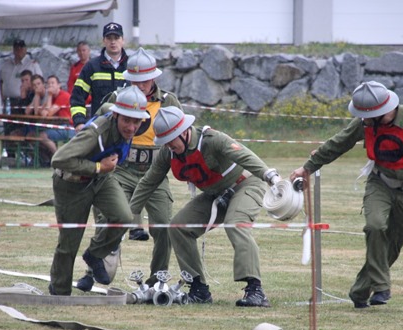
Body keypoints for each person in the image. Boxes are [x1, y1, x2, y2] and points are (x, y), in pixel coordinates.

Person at [290, 81, 403, 309]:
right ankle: (382, 287)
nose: (362, 120)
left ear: (380, 113)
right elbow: (338, 143)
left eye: (366, 116)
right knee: (375, 226)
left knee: (392, 243)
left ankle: (360, 292)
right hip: (380, 184)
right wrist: (307, 168)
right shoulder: (364, 123)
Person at [130, 106, 283, 308]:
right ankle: (199, 290)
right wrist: (128, 213)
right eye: (164, 141)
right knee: (178, 227)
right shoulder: (168, 152)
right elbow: (148, 182)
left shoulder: (212, 139)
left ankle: (255, 290)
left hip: (245, 184)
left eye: (171, 139)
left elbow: (245, 156)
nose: (168, 145)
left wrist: (270, 176)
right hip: (215, 194)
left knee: (235, 223)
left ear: (184, 131)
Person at [75, 48, 181, 291]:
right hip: (120, 169)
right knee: (109, 219)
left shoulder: (168, 101)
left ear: (153, 78)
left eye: (144, 80)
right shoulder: (116, 98)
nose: (140, 85)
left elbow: (180, 134)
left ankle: (157, 281)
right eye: (135, 80)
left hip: (155, 171)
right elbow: (97, 128)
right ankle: (91, 271)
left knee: (164, 226)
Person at [49, 85, 149, 296]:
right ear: (116, 115)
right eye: (127, 120)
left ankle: (94, 254)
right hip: (71, 183)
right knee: (69, 242)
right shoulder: (95, 132)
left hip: (102, 179)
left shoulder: (132, 126)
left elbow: (106, 107)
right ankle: (59, 291)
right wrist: (97, 167)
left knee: (124, 217)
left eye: (136, 121)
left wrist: (102, 171)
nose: (131, 127)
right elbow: (59, 159)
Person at [70, 22, 128, 132]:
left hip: (127, 130)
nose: (113, 42)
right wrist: (79, 122)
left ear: (122, 40)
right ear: (103, 41)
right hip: (100, 128)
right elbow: (77, 96)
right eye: (109, 38)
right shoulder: (92, 67)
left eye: (116, 38)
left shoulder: (132, 66)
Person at [37, 75, 75, 164]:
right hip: (58, 125)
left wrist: (49, 95)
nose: (50, 85)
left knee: (42, 136)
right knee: (34, 134)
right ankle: (46, 159)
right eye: (48, 84)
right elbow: (41, 112)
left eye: (53, 83)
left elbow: (48, 114)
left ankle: (58, 158)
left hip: (69, 127)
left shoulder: (63, 96)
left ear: (59, 85)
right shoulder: (52, 97)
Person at [0, 38, 42, 113]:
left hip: (24, 100)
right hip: (8, 101)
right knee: (6, 120)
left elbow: (40, 82)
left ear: (25, 49)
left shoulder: (32, 64)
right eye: (16, 48)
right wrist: (1, 96)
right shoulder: (6, 64)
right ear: (13, 49)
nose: (19, 50)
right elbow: (0, 81)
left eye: (21, 47)